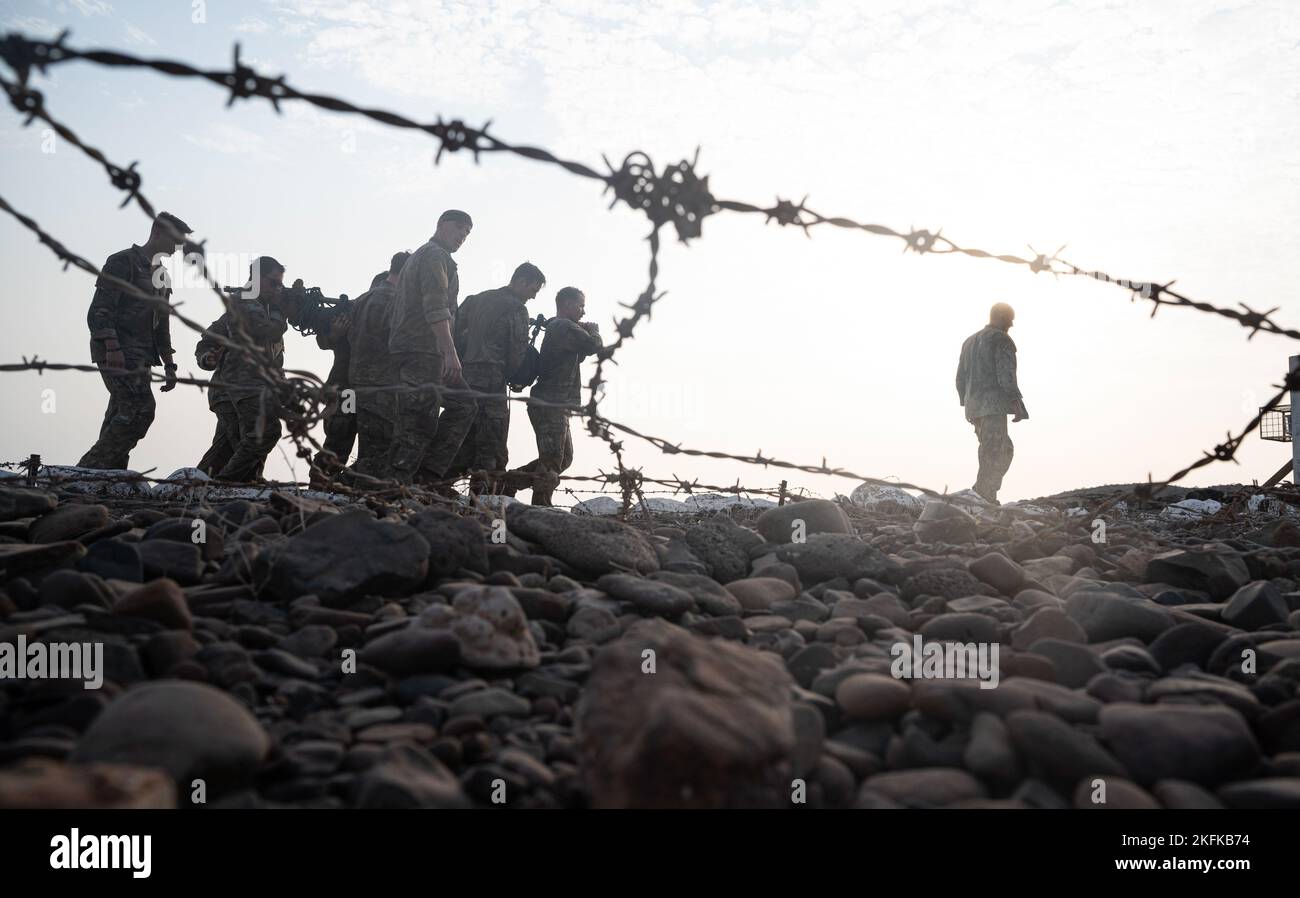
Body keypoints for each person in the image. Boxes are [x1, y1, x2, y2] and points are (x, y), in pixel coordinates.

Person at [77, 211, 190, 469]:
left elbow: (162, 324)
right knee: (140, 409)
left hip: (141, 357)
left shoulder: (162, 275)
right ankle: (87, 470)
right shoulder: (122, 262)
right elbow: (99, 311)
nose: (177, 248)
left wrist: (170, 364)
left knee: (121, 412)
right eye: (175, 240)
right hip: (116, 352)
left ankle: (109, 475)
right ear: (158, 233)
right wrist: (112, 347)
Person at [420, 262, 545, 492]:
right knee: (491, 444)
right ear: (520, 281)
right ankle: (482, 500)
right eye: (533, 290)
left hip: (462, 375)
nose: (533, 297)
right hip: (491, 381)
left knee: (461, 435)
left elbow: (455, 333)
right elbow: (517, 353)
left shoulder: (474, 300)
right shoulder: (517, 309)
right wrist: (517, 375)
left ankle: (432, 485)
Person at [383, 210, 473, 485]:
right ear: (441, 225)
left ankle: (426, 477)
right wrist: (450, 352)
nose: (462, 236)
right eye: (458, 228)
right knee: (419, 422)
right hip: (424, 350)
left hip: (415, 349)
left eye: (467, 233)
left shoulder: (420, 256)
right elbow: (436, 307)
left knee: (461, 405)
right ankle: (397, 487)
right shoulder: (435, 256)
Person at [512, 287, 603, 505]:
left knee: (564, 458)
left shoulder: (560, 326)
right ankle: (541, 505)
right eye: (580, 305)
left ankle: (511, 480)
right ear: (567, 304)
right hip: (550, 402)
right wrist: (595, 331)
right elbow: (593, 346)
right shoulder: (563, 326)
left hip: (556, 402)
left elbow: (578, 353)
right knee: (552, 459)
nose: (583, 311)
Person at [201, 257, 289, 482]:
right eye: (273, 283)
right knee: (264, 433)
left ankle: (193, 484)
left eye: (280, 284)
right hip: (243, 384)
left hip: (241, 386)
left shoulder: (259, 306)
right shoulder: (245, 300)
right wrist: (281, 311)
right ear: (257, 278)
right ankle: (227, 484)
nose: (277, 289)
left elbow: (213, 335)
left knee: (228, 447)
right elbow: (266, 331)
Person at [346, 251, 409, 479]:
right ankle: (348, 486)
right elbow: (395, 342)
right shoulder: (393, 300)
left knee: (371, 445)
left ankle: (348, 486)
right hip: (381, 384)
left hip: (360, 381)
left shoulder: (365, 297)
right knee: (380, 448)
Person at [956, 302, 1027, 505]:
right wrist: (1015, 401)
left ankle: (983, 493)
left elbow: (959, 378)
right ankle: (984, 496)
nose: (1012, 324)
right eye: (1010, 319)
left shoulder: (969, 342)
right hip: (993, 405)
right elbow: (1006, 374)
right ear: (1002, 317)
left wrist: (967, 403)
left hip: (975, 407)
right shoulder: (1001, 340)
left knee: (999, 449)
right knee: (995, 451)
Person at [309, 300, 356, 485]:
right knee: (340, 435)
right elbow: (324, 340)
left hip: (365, 391)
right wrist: (336, 335)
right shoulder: (350, 317)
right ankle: (321, 480)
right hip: (346, 390)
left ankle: (339, 481)